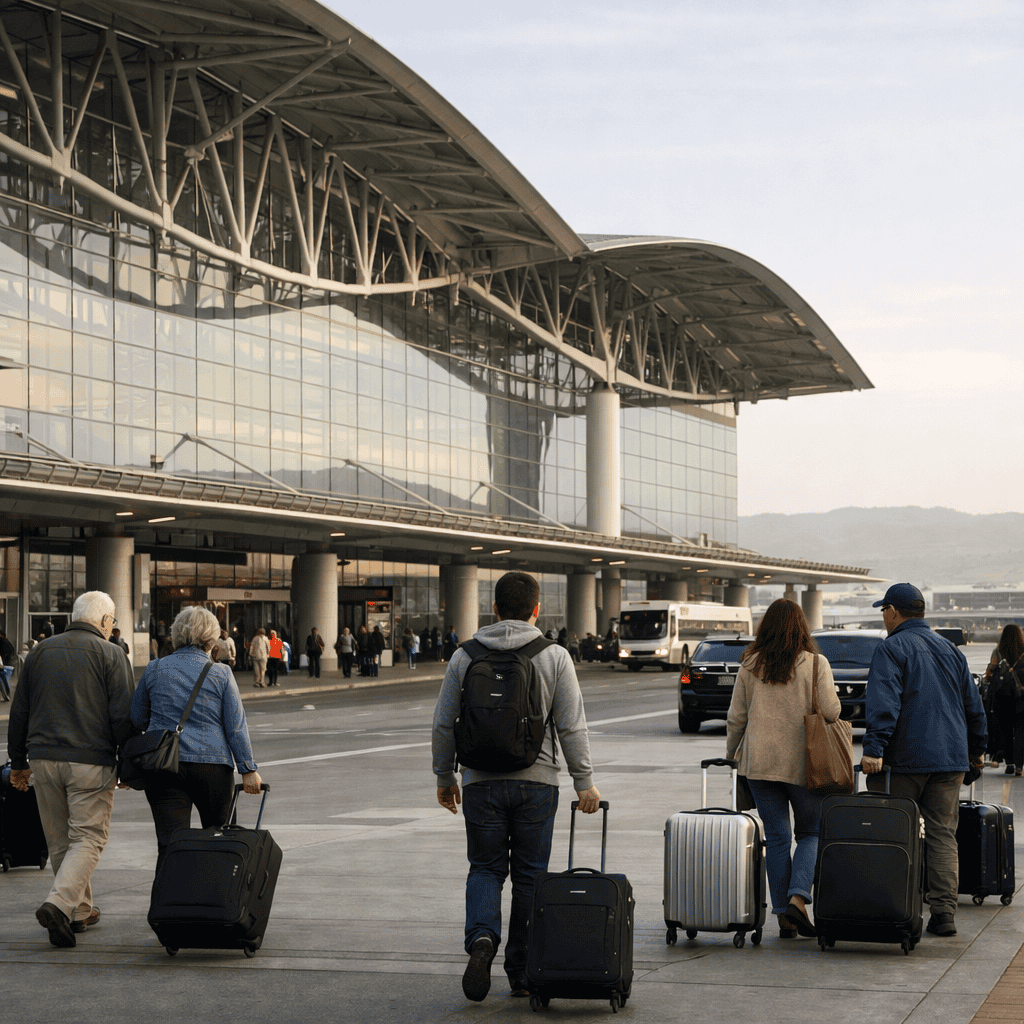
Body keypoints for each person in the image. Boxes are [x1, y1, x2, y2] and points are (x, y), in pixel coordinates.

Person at [432, 570, 601, 1003]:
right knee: (530, 877)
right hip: (537, 783)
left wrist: (444, 776)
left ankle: (483, 940)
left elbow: (443, 722)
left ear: (494, 608)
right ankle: (523, 972)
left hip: (480, 783)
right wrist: (584, 781)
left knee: (486, 869)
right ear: (536, 609)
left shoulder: (465, 655)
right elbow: (571, 725)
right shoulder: (554, 655)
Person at [6, 591, 134, 948]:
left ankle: (78, 912)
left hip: (43, 759)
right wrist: (128, 765)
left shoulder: (40, 652)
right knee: (89, 837)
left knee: (61, 838)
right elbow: (123, 717)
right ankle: (59, 904)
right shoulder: (112, 654)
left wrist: (18, 763)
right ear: (106, 622)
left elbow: (19, 712)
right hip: (91, 760)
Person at [861, 583, 987, 938]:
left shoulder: (892, 648)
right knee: (943, 836)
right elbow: (973, 706)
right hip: (950, 760)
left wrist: (874, 748)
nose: (883, 617)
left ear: (893, 612)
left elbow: (884, 704)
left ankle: (896, 907)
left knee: (894, 833)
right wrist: (977, 748)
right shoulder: (950, 649)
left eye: (883, 610)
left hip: (905, 760)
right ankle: (944, 914)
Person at [726, 598, 840, 939]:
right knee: (811, 833)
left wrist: (734, 756)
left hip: (759, 764)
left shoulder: (750, 664)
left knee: (776, 838)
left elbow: (736, 718)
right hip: (804, 765)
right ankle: (797, 899)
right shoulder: (816, 664)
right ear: (801, 627)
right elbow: (832, 712)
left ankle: (784, 918)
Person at [130, 607, 262, 875]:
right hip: (212, 767)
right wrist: (248, 769)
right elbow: (235, 726)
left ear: (176, 635)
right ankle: (217, 903)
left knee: (170, 843)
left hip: (163, 766)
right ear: (211, 639)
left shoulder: (155, 668)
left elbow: (137, 718)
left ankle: (168, 910)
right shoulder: (221, 673)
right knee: (220, 839)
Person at [983, 624, 1024, 775]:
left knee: (1006, 731)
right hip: (1021, 698)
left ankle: (1010, 763)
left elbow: (990, 672)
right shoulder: (1023, 652)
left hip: (1002, 697)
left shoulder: (998, 651)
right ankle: (1020, 766)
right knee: (1020, 732)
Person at [0, 626, 15, 701]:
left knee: (3, 679)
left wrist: (3, 660)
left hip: (3, 663)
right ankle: (6, 694)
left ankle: (5, 694)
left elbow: (5, 652)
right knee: (4, 679)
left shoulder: (2, 641)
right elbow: (11, 650)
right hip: (4, 662)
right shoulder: (6, 640)